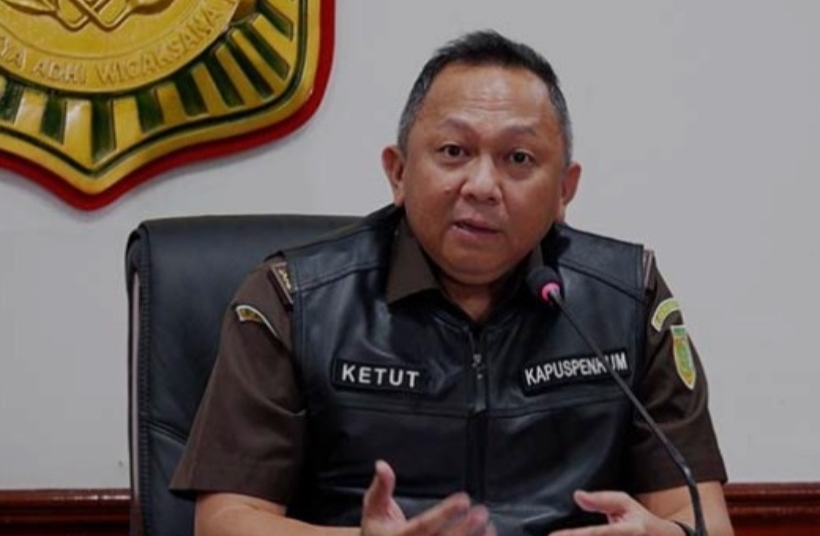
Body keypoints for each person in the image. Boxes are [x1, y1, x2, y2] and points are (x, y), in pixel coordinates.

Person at [171, 30, 735, 536]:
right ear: (398, 172)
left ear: (565, 189)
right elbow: (224, 522)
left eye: (518, 158)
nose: (482, 185)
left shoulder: (627, 299)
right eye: (453, 151)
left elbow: (701, 517)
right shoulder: (293, 300)